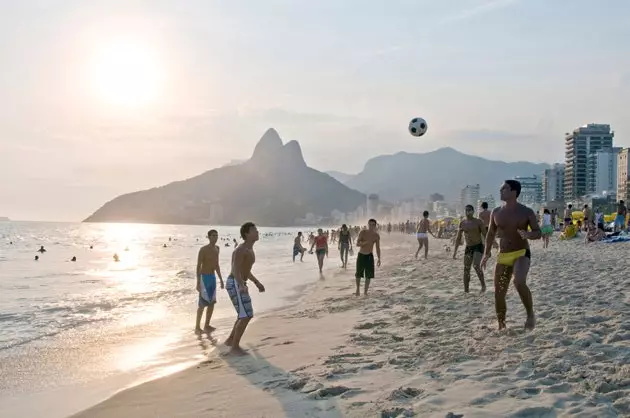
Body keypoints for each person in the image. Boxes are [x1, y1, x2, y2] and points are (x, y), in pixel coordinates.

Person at [481, 180, 541, 331]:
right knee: (499, 293)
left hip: (521, 253)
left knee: (519, 281)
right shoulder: (496, 212)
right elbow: (490, 234)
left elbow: (538, 232)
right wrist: (486, 253)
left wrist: (528, 234)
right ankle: (501, 324)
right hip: (503, 255)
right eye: (501, 188)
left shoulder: (526, 212)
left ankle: (530, 314)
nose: (501, 191)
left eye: (505, 189)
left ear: (514, 192)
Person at [225, 222, 265, 355]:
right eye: (254, 230)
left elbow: (245, 270)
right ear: (247, 234)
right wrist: (241, 284)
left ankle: (231, 341)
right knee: (246, 315)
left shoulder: (250, 249)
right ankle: (234, 348)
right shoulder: (240, 250)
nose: (257, 232)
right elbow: (235, 269)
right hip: (235, 283)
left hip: (240, 283)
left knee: (243, 314)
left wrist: (256, 282)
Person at [195, 229, 225, 334]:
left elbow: (216, 265)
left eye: (216, 235)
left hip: (212, 278)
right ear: (208, 237)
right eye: (213, 236)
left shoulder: (217, 248)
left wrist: (221, 279)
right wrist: (198, 282)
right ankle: (197, 327)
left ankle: (207, 325)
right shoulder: (203, 249)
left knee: (212, 303)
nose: (215, 237)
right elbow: (198, 266)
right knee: (202, 304)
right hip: (204, 278)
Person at [452, 205, 486, 293]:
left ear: (473, 211)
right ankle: (466, 290)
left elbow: (486, 235)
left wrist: (487, 250)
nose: (468, 212)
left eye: (469, 210)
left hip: (478, 246)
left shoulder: (478, 222)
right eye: (466, 210)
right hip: (468, 247)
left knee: (476, 265)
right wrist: (455, 252)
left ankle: (483, 285)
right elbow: (458, 238)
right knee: (466, 269)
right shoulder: (462, 223)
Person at [355, 219, 381, 296]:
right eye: (370, 224)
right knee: (358, 274)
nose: (371, 226)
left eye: (373, 225)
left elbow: (377, 248)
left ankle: (365, 292)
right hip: (361, 255)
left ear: (375, 226)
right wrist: (364, 243)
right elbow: (357, 244)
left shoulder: (376, 235)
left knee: (368, 275)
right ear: (368, 224)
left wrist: (379, 258)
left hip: (369, 256)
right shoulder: (363, 232)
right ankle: (358, 289)